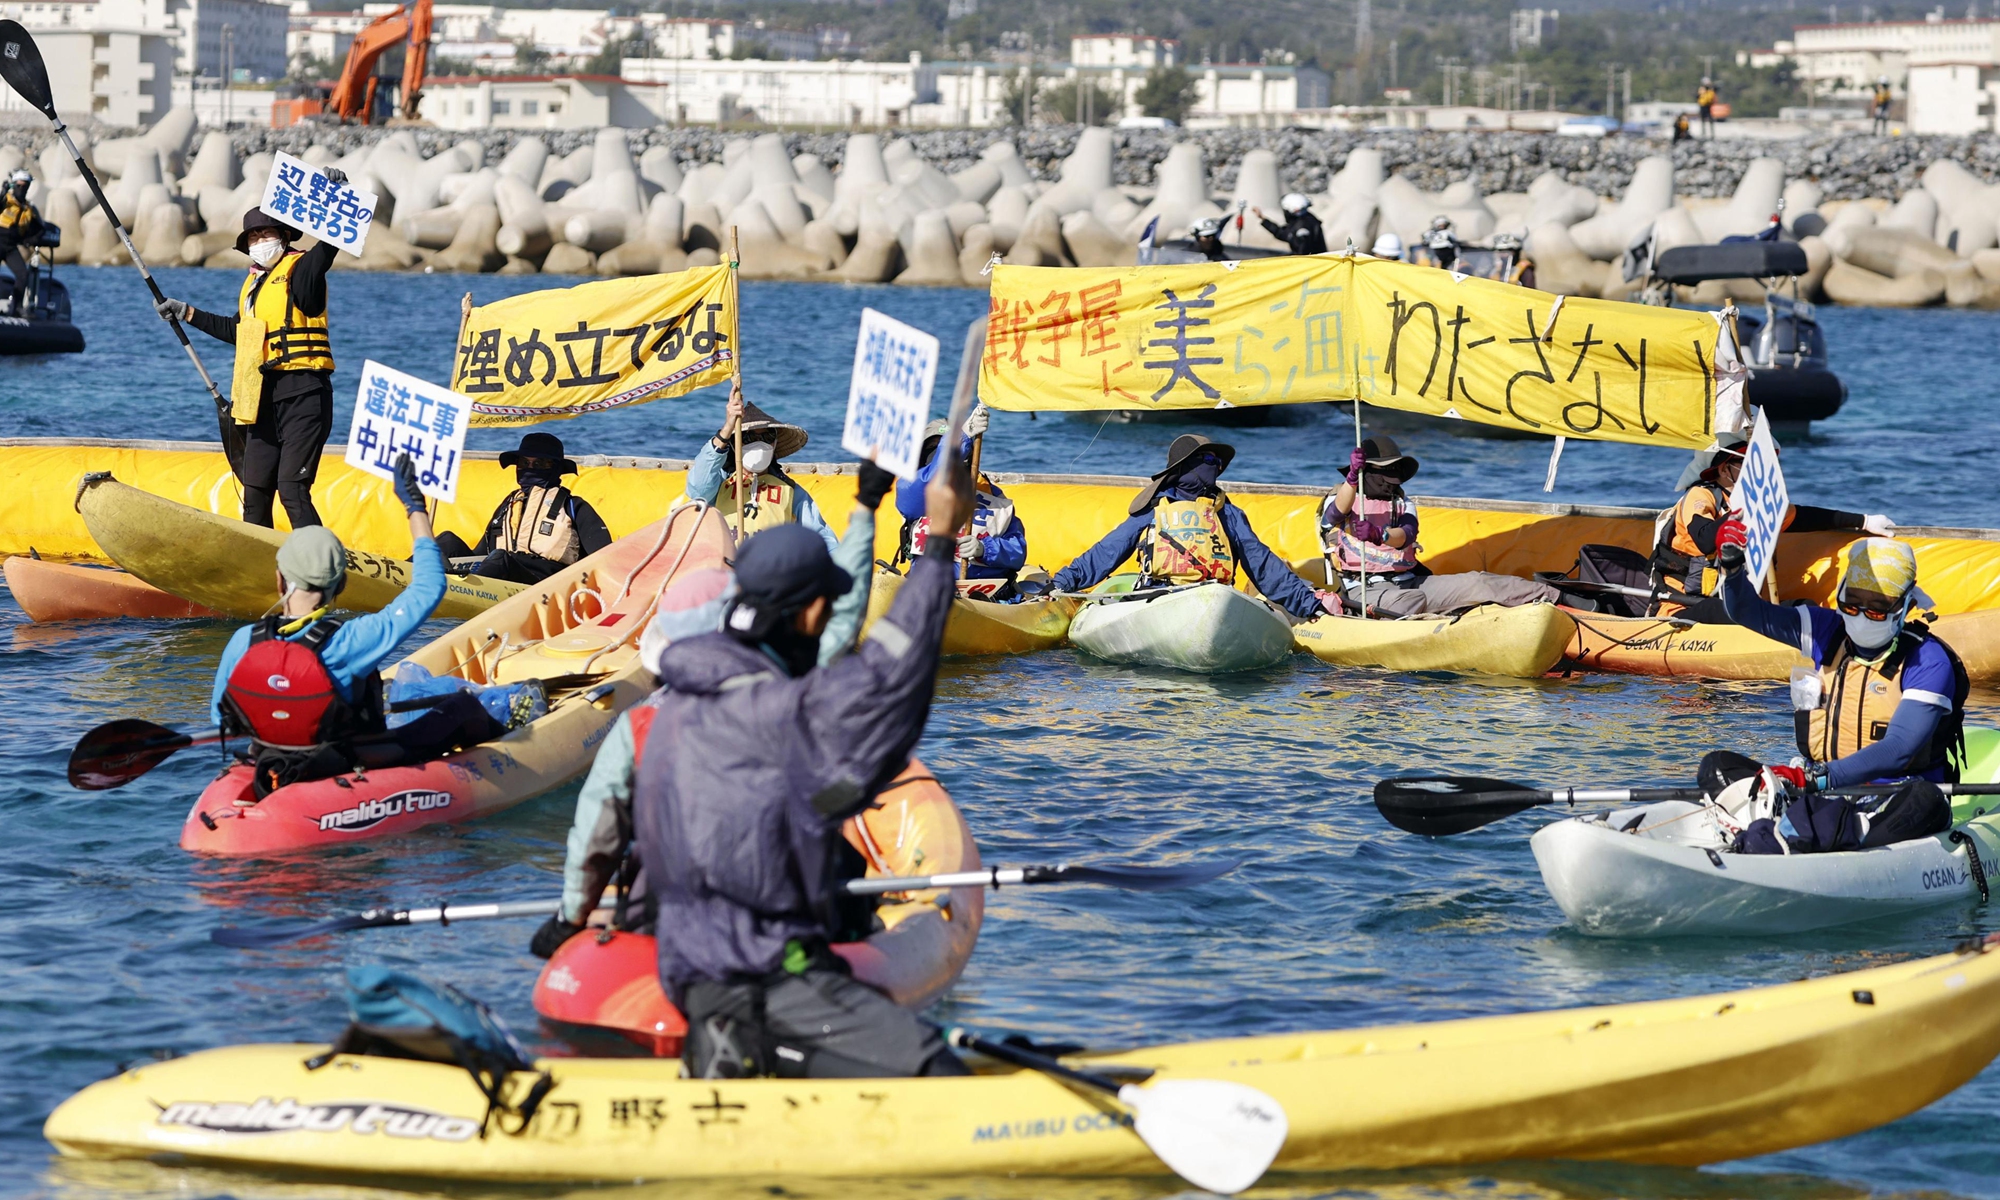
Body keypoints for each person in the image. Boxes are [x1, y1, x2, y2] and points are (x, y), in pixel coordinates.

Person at [541, 460, 971, 1080]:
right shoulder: (781, 714)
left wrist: (571, 916)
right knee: (935, 1068)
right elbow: (890, 674)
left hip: (686, 962)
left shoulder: (667, 712)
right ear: (804, 615)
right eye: (822, 609)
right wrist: (936, 549)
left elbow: (598, 831)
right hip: (769, 971)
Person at [533, 461, 899, 968]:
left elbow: (597, 829)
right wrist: (864, 512)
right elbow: (845, 613)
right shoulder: (786, 691)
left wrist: (570, 917)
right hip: (771, 919)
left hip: (667, 909)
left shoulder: (638, 724)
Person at [209, 455, 509, 797]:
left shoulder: (243, 641)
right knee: (462, 707)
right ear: (340, 587)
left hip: (268, 760)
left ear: (280, 581)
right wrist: (415, 509)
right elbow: (429, 588)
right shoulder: (351, 641)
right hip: (343, 765)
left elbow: (223, 720)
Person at [1707, 527, 1966, 854]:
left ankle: (1846, 830)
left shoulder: (1928, 661)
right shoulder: (1826, 630)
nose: (1860, 615)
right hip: (1823, 789)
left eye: (1876, 608)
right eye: (1852, 602)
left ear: (1904, 606)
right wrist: (1731, 566)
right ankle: (1804, 824)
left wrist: (1819, 778)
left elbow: (1899, 748)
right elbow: (1746, 611)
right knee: (1717, 767)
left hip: (1893, 796)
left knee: (1927, 800)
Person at [156, 194, 348, 530]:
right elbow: (238, 330)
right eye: (253, 238)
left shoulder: (303, 271)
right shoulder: (254, 286)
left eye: (266, 235)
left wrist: (337, 197)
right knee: (255, 489)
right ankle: (260, 572)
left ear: (284, 236)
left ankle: (320, 568)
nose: (260, 242)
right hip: (262, 399)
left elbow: (328, 249)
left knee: (291, 488)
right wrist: (187, 312)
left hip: (304, 394)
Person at [1050, 435, 1335, 619]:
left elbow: (1262, 564)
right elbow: (1107, 552)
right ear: (1185, 468)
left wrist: (1308, 606)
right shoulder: (1153, 510)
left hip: (1213, 599)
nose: (1217, 466)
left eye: (1218, 462)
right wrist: (1062, 582)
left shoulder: (1227, 513)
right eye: (1209, 460)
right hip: (1157, 597)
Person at [1650, 433, 1890, 623]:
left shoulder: (1762, 505)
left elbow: (1805, 517)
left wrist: (1864, 521)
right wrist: (1737, 515)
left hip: (1742, 606)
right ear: (1724, 469)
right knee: (1726, 611)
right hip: (1685, 607)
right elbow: (1704, 539)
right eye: (1749, 465)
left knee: (1807, 608)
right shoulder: (1700, 495)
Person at [1321, 435, 1562, 617]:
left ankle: (1563, 601)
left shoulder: (1403, 503)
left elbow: (1405, 534)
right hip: (1366, 590)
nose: (1390, 483)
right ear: (1366, 471)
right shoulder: (1344, 496)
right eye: (1384, 474)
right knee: (1410, 600)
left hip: (1409, 581)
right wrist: (1352, 478)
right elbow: (1334, 515)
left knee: (1481, 582)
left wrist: (1380, 534)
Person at [435, 432, 612, 584]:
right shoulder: (509, 506)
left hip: (541, 585)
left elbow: (605, 558)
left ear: (556, 468)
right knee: (444, 542)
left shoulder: (573, 506)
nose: (530, 469)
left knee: (501, 558)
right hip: (497, 576)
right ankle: (408, 581)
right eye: (524, 463)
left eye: (540, 464)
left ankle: (469, 592)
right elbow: (481, 553)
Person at [684, 382, 837, 553]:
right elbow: (698, 490)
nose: (760, 443)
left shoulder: (790, 491)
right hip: (726, 571)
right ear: (735, 444)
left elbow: (822, 538)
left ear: (775, 443)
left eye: (768, 436)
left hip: (771, 575)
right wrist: (727, 429)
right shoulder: (719, 483)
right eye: (749, 437)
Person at [893, 405, 1028, 598]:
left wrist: (985, 549)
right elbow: (930, 478)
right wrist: (960, 438)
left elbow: (1017, 551)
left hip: (983, 594)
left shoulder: (992, 496)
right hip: (930, 588)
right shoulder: (913, 490)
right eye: (934, 449)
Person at [0, 169, 42, 317]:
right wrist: (3, 192)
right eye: (19, 185)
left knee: (23, 274)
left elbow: (39, 230)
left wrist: (29, 241)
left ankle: (16, 308)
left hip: (11, 247)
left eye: (25, 186)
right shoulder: (5, 201)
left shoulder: (29, 209)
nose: (22, 189)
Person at [1251, 193, 1327, 256]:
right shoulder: (1301, 222)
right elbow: (1283, 233)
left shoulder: (1303, 227)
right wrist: (1262, 218)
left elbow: (1303, 253)